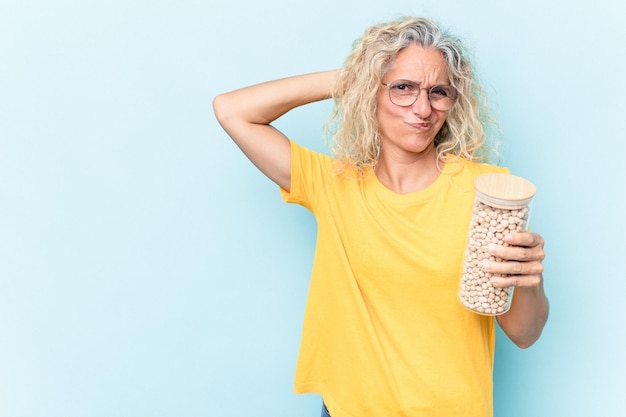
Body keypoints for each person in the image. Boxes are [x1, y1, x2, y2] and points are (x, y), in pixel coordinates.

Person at [213, 16, 549, 417]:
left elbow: (524, 334)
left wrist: (529, 281)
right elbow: (233, 109)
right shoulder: (334, 184)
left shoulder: (487, 191)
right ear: (370, 91)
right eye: (403, 88)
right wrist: (357, 75)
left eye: (438, 92)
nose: (422, 109)